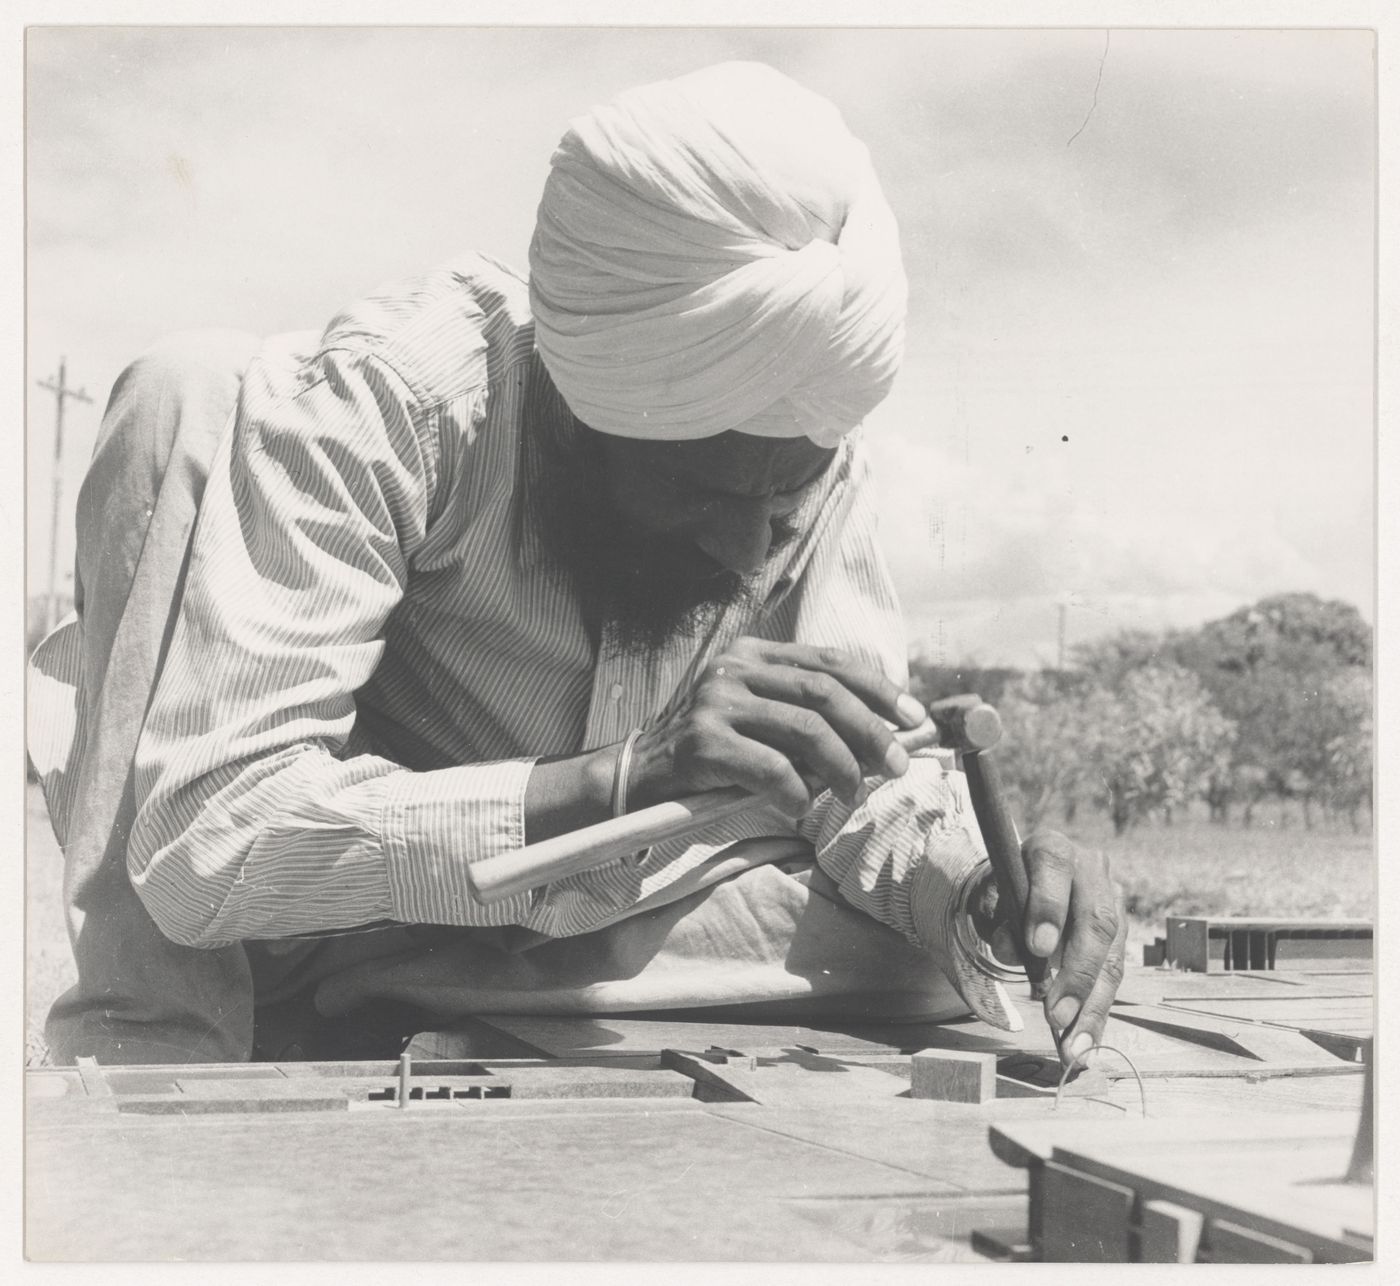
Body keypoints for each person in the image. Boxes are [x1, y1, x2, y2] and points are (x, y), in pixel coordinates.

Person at [28, 61, 1125, 1067]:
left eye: (778, 495)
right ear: (581, 403)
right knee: (187, 386)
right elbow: (205, 845)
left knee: (940, 959)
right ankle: (167, 1034)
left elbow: (860, 779)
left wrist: (981, 882)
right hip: (326, 892)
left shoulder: (802, 455)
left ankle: (386, 1001)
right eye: (702, 490)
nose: (749, 548)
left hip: (599, 919)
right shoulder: (394, 407)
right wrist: (621, 778)